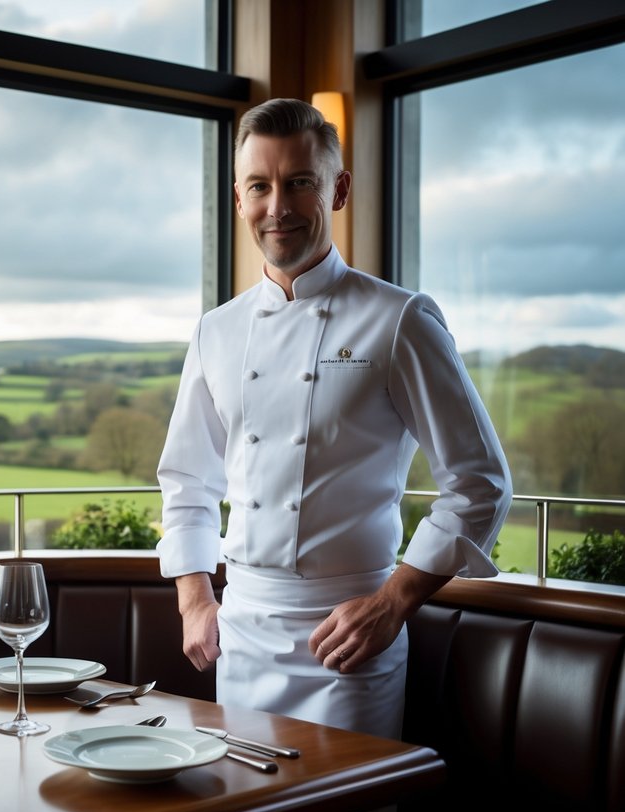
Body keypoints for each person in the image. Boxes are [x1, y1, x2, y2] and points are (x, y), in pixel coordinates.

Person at [157, 98, 512, 750]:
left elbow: (479, 483)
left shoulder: (399, 320)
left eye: (299, 182)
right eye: (259, 187)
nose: (277, 208)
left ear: (338, 189)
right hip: (239, 635)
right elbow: (186, 480)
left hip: (349, 641)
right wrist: (193, 601)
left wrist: (391, 602)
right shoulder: (216, 331)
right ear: (237, 199)